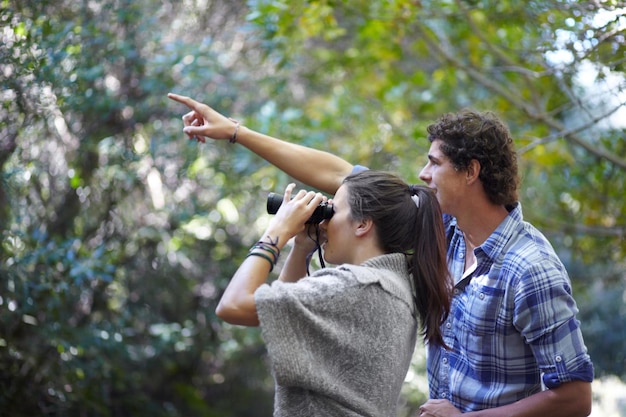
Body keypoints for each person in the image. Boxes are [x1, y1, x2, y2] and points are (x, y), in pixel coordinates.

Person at [168, 93, 594, 417]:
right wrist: (236, 133)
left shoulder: (531, 269)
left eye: (434, 164)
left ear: (471, 172)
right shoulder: (445, 231)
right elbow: (340, 175)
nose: (423, 175)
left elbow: (576, 396)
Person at [214, 170, 452, 417]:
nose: (324, 223)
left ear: (362, 224)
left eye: (332, 212)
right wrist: (301, 247)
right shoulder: (392, 287)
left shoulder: (357, 286)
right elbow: (281, 308)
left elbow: (233, 306)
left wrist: (276, 231)